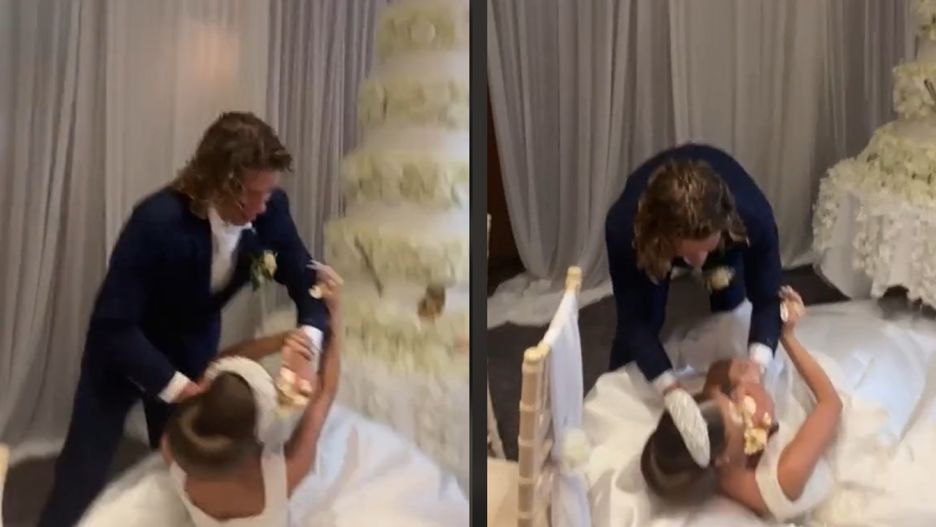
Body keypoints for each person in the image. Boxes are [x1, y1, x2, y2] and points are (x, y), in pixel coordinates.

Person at [39, 111, 331, 527]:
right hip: (121, 356)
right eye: (253, 195)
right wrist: (179, 388)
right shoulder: (156, 221)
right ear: (220, 182)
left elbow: (306, 279)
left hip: (191, 348)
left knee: (189, 469)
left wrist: (308, 342)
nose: (263, 206)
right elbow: (113, 325)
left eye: (268, 193)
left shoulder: (269, 210)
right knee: (81, 473)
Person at [77, 267, 468, 527]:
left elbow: (214, 365)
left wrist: (275, 342)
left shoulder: (175, 452)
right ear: (256, 430)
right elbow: (325, 391)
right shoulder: (283, 474)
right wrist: (335, 315)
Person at [639, 287, 842, 522]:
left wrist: (743, 374)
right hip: (823, 440)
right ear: (724, 456)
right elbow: (831, 404)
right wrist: (786, 337)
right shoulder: (787, 473)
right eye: (739, 412)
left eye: (729, 396)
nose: (737, 394)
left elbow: (715, 377)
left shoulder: (710, 450)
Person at [604, 143, 783, 394]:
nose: (699, 263)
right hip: (653, 243)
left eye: (706, 249)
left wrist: (757, 365)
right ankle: (615, 390)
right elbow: (634, 322)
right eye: (688, 252)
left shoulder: (753, 217)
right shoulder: (624, 229)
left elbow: (767, 298)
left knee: (729, 305)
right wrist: (669, 388)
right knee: (647, 316)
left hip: (727, 237)